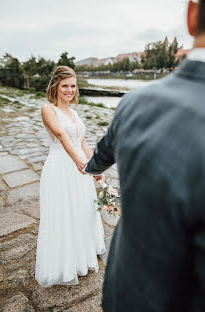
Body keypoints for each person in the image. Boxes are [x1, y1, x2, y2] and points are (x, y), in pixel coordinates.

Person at [85, 0, 205, 310]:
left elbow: (100, 156)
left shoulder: (134, 102)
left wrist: (90, 169)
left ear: (191, 16)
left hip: (122, 293)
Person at [35, 66, 106, 287]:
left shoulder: (74, 113)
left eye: (73, 86)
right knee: (63, 211)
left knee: (82, 209)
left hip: (81, 167)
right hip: (60, 168)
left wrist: (96, 168)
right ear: (55, 86)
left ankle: (81, 255)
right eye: (65, 85)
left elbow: (82, 142)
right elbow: (61, 134)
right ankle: (64, 263)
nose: (69, 90)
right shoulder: (48, 109)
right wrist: (77, 160)